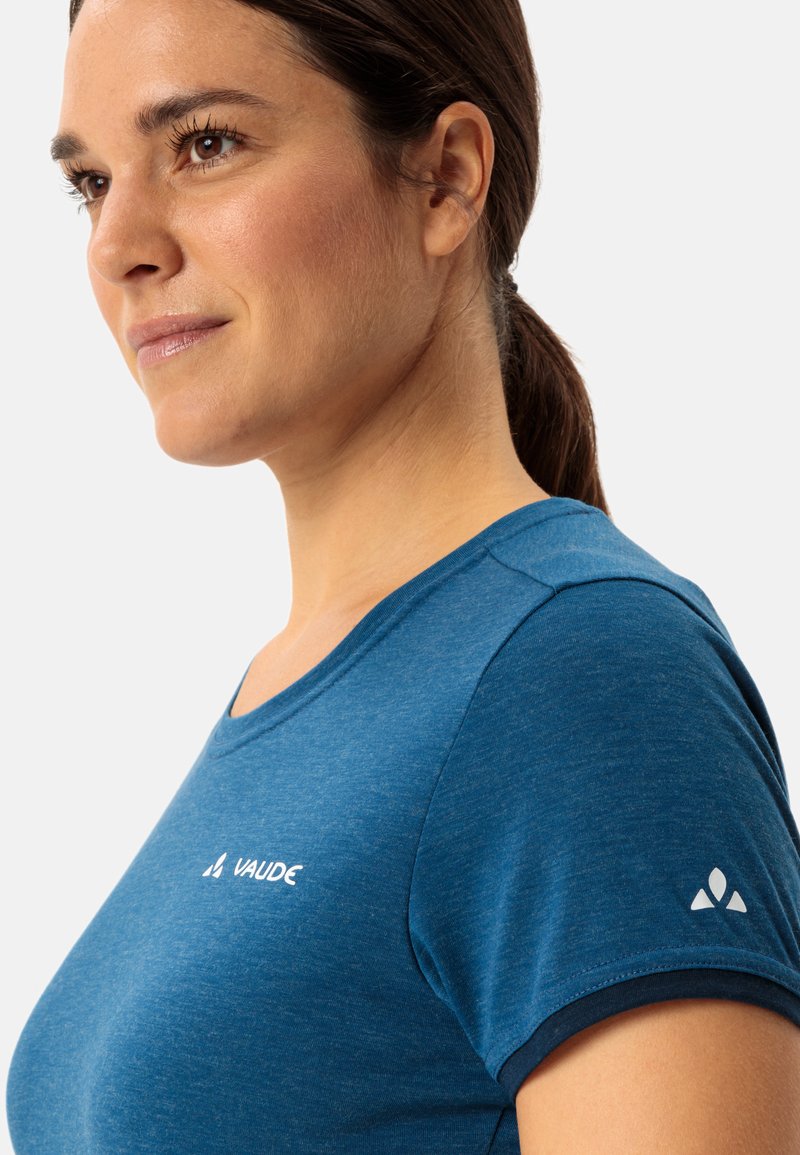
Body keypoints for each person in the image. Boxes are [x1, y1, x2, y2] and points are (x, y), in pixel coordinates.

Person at [5, 0, 800, 1151]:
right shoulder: (302, 688)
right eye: (89, 182)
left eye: (205, 144)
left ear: (445, 178)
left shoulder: (582, 670)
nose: (117, 243)